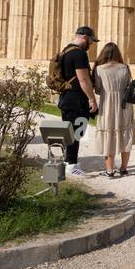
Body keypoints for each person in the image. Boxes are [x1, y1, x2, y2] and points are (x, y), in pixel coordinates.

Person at [56, 26, 100, 177]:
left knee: (70, 132)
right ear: (85, 38)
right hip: (77, 100)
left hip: (66, 98)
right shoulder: (79, 54)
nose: (91, 45)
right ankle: (71, 164)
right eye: (92, 41)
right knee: (76, 133)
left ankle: (68, 161)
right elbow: (83, 79)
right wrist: (92, 99)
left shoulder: (65, 51)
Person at [91, 42, 135, 178]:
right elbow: (128, 85)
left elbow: (98, 89)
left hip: (108, 105)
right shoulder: (125, 68)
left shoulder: (99, 69)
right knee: (125, 134)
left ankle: (109, 170)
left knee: (108, 134)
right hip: (125, 106)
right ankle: (123, 168)